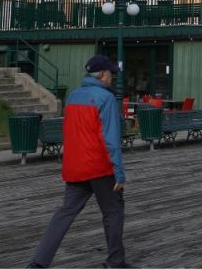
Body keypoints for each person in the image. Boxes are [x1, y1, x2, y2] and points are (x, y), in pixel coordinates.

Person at [28, 55, 128, 269]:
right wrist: (119, 173)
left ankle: (38, 263)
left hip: (75, 166)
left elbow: (71, 133)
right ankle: (115, 263)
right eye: (110, 73)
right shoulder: (105, 98)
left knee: (64, 213)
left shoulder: (73, 97)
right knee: (113, 212)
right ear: (102, 75)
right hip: (100, 167)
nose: (112, 77)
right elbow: (110, 139)